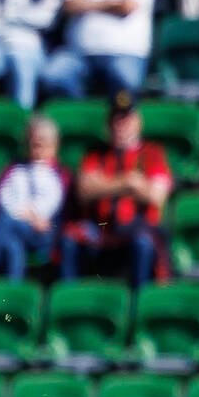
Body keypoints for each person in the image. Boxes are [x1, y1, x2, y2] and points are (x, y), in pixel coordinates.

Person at [62, 93, 171, 290]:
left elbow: (156, 196)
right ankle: (69, 297)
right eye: (115, 119)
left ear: (137, 121)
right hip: (101, 229)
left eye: (125, 119)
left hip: (135, 230)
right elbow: (84, 191)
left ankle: (139, 299)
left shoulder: (152, 154)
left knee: (143, 242)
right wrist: (128, 182)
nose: (120, 125)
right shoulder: (95, 154)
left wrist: (103, 184)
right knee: (70, 237)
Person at [0, 117, 66, 289]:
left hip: (44, 235)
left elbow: (60, 214)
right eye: (33, 140)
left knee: (4, 221)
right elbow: (1, 201)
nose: (37, 145)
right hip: (16, 226)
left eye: (42, 141)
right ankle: (13, 291)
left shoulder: (62, 175)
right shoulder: (15, 170)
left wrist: (42, 221)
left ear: (54, 145)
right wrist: (27, 215)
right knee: (12, 244)